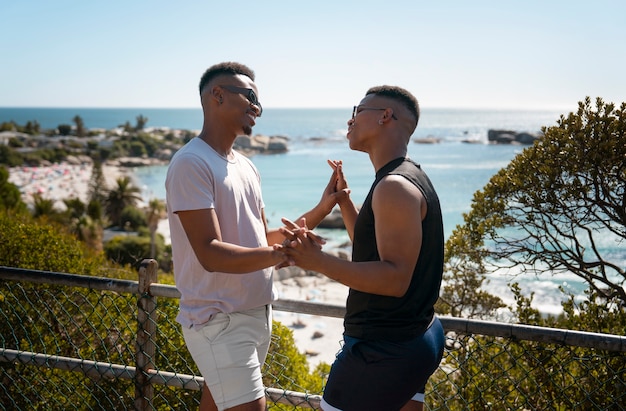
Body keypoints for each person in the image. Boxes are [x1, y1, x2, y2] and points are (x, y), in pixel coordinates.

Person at [165, 62, 342, 411]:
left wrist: (323, 208)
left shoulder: (247, 166)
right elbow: (210, 253)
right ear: (217, 95)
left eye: (259, 102)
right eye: (250, 97)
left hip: (256, 314)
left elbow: (262, 238)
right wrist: (282, 255)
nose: (256, 109)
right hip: (219, 319)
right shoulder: (191, 163)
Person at [279, 85, 445, 411]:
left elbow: (394, 279)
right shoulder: (404, 177)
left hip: (383, 350)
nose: (350, 120)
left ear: (385, 116)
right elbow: (373, 250)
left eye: (357, 110)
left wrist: (317, 260)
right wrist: (344, 202)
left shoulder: (394, 186)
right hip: (416, 337)